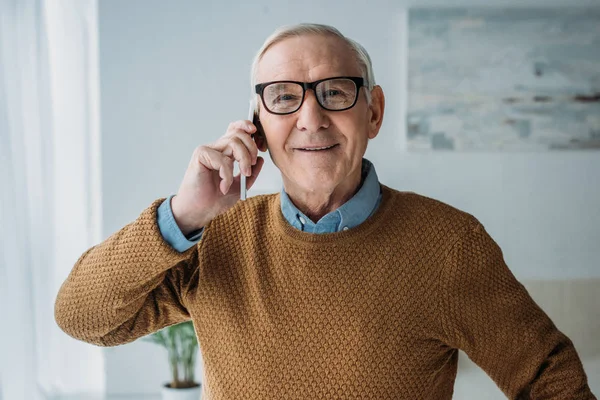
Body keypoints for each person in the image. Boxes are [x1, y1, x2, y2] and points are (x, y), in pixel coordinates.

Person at [54, 23, 596, 399]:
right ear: (257, 124)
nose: (311, 118)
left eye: (335, 92)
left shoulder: (450, 243)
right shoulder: (213, 237)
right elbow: (82, 318)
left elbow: (551, 380)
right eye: (284, 97)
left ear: (373, 112)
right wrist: (184, 214)